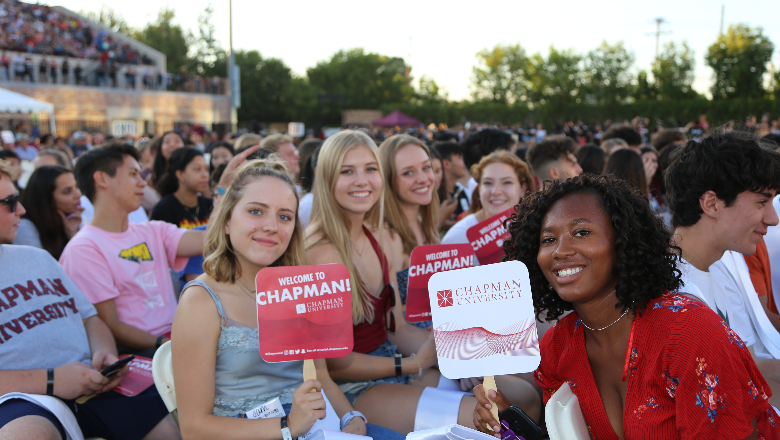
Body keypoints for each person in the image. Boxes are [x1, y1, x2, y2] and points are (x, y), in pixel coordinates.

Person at [474, 174, 778, 439]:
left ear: (624, 243)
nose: (561, 251)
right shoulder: (557, 349)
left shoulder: (688, 334)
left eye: (582, 232)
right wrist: (508, 427)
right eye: (548, 239)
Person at [304, 131, 530, 434]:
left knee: (519, 397)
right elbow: (334, 365)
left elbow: (394, 325)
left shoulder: (374, 239)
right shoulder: (322, 254)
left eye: (370, 169)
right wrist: (416, 363)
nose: (362, 180)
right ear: (326, 177)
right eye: (347, 171)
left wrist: (456, 353)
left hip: (397, 366)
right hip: (354, 388)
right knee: (493, 421)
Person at [172, 157, 403, 440]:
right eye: (256, 211)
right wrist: (287, 427)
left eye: (284, 216)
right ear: (228, 220)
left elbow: (321, 378)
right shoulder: (201, 302)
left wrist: (350, 417)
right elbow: (194, 429)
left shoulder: (299, 288)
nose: (271, 226)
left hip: (320, 429)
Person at [0, 159, 180, 440]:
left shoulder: (36, 257)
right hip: (22, 398)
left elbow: (90, 318)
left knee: (169, 431)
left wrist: (105, 354)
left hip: (92, 381)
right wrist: (51, 381)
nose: (21, 210)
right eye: (10, 202)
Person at [59, 144, 208, 357]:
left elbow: (209, 240)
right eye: (132, 174)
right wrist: (168, 345)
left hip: (175, 340)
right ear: (102, 179)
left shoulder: (152, 230)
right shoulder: (83, 249)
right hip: (140, 354)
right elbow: (110, 326)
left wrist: (231, 192)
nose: (142, 183)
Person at [665, 131, 780, 407]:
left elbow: (746, 370)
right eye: (762, 202)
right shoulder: (670, 295)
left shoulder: (715, 268)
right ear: (712, 204)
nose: (773, 218)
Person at [377, 134, 439, 312]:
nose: (423, 179)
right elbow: (392, 324)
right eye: (408, 172)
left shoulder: (425, 225)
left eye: (426, 167)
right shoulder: (388, 236)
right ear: (388, 180)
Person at [442, 151, 535, 260]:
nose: (496, 191)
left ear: (522, 189)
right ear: (480, 188)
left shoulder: (536, 229)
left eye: (507, 182)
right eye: (488, 183)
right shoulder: (458, 237)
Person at [12, 166, 83, 259]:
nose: (78, 194)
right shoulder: (25, 227)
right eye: (67, 191)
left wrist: (72, 234)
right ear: (47, 199)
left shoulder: (71, 220)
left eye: (77, 187)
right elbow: (40, 268)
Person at [151, 147, 212, 229]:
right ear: (180, 174)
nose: (205, 175)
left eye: (206, 169)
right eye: (197, 169)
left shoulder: (210, 205)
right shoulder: (163, 209)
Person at [433, 142, 471, 218]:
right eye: (460, 158)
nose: (465, 163)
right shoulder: (435, 197)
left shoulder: (460, 191)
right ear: (446, 164)